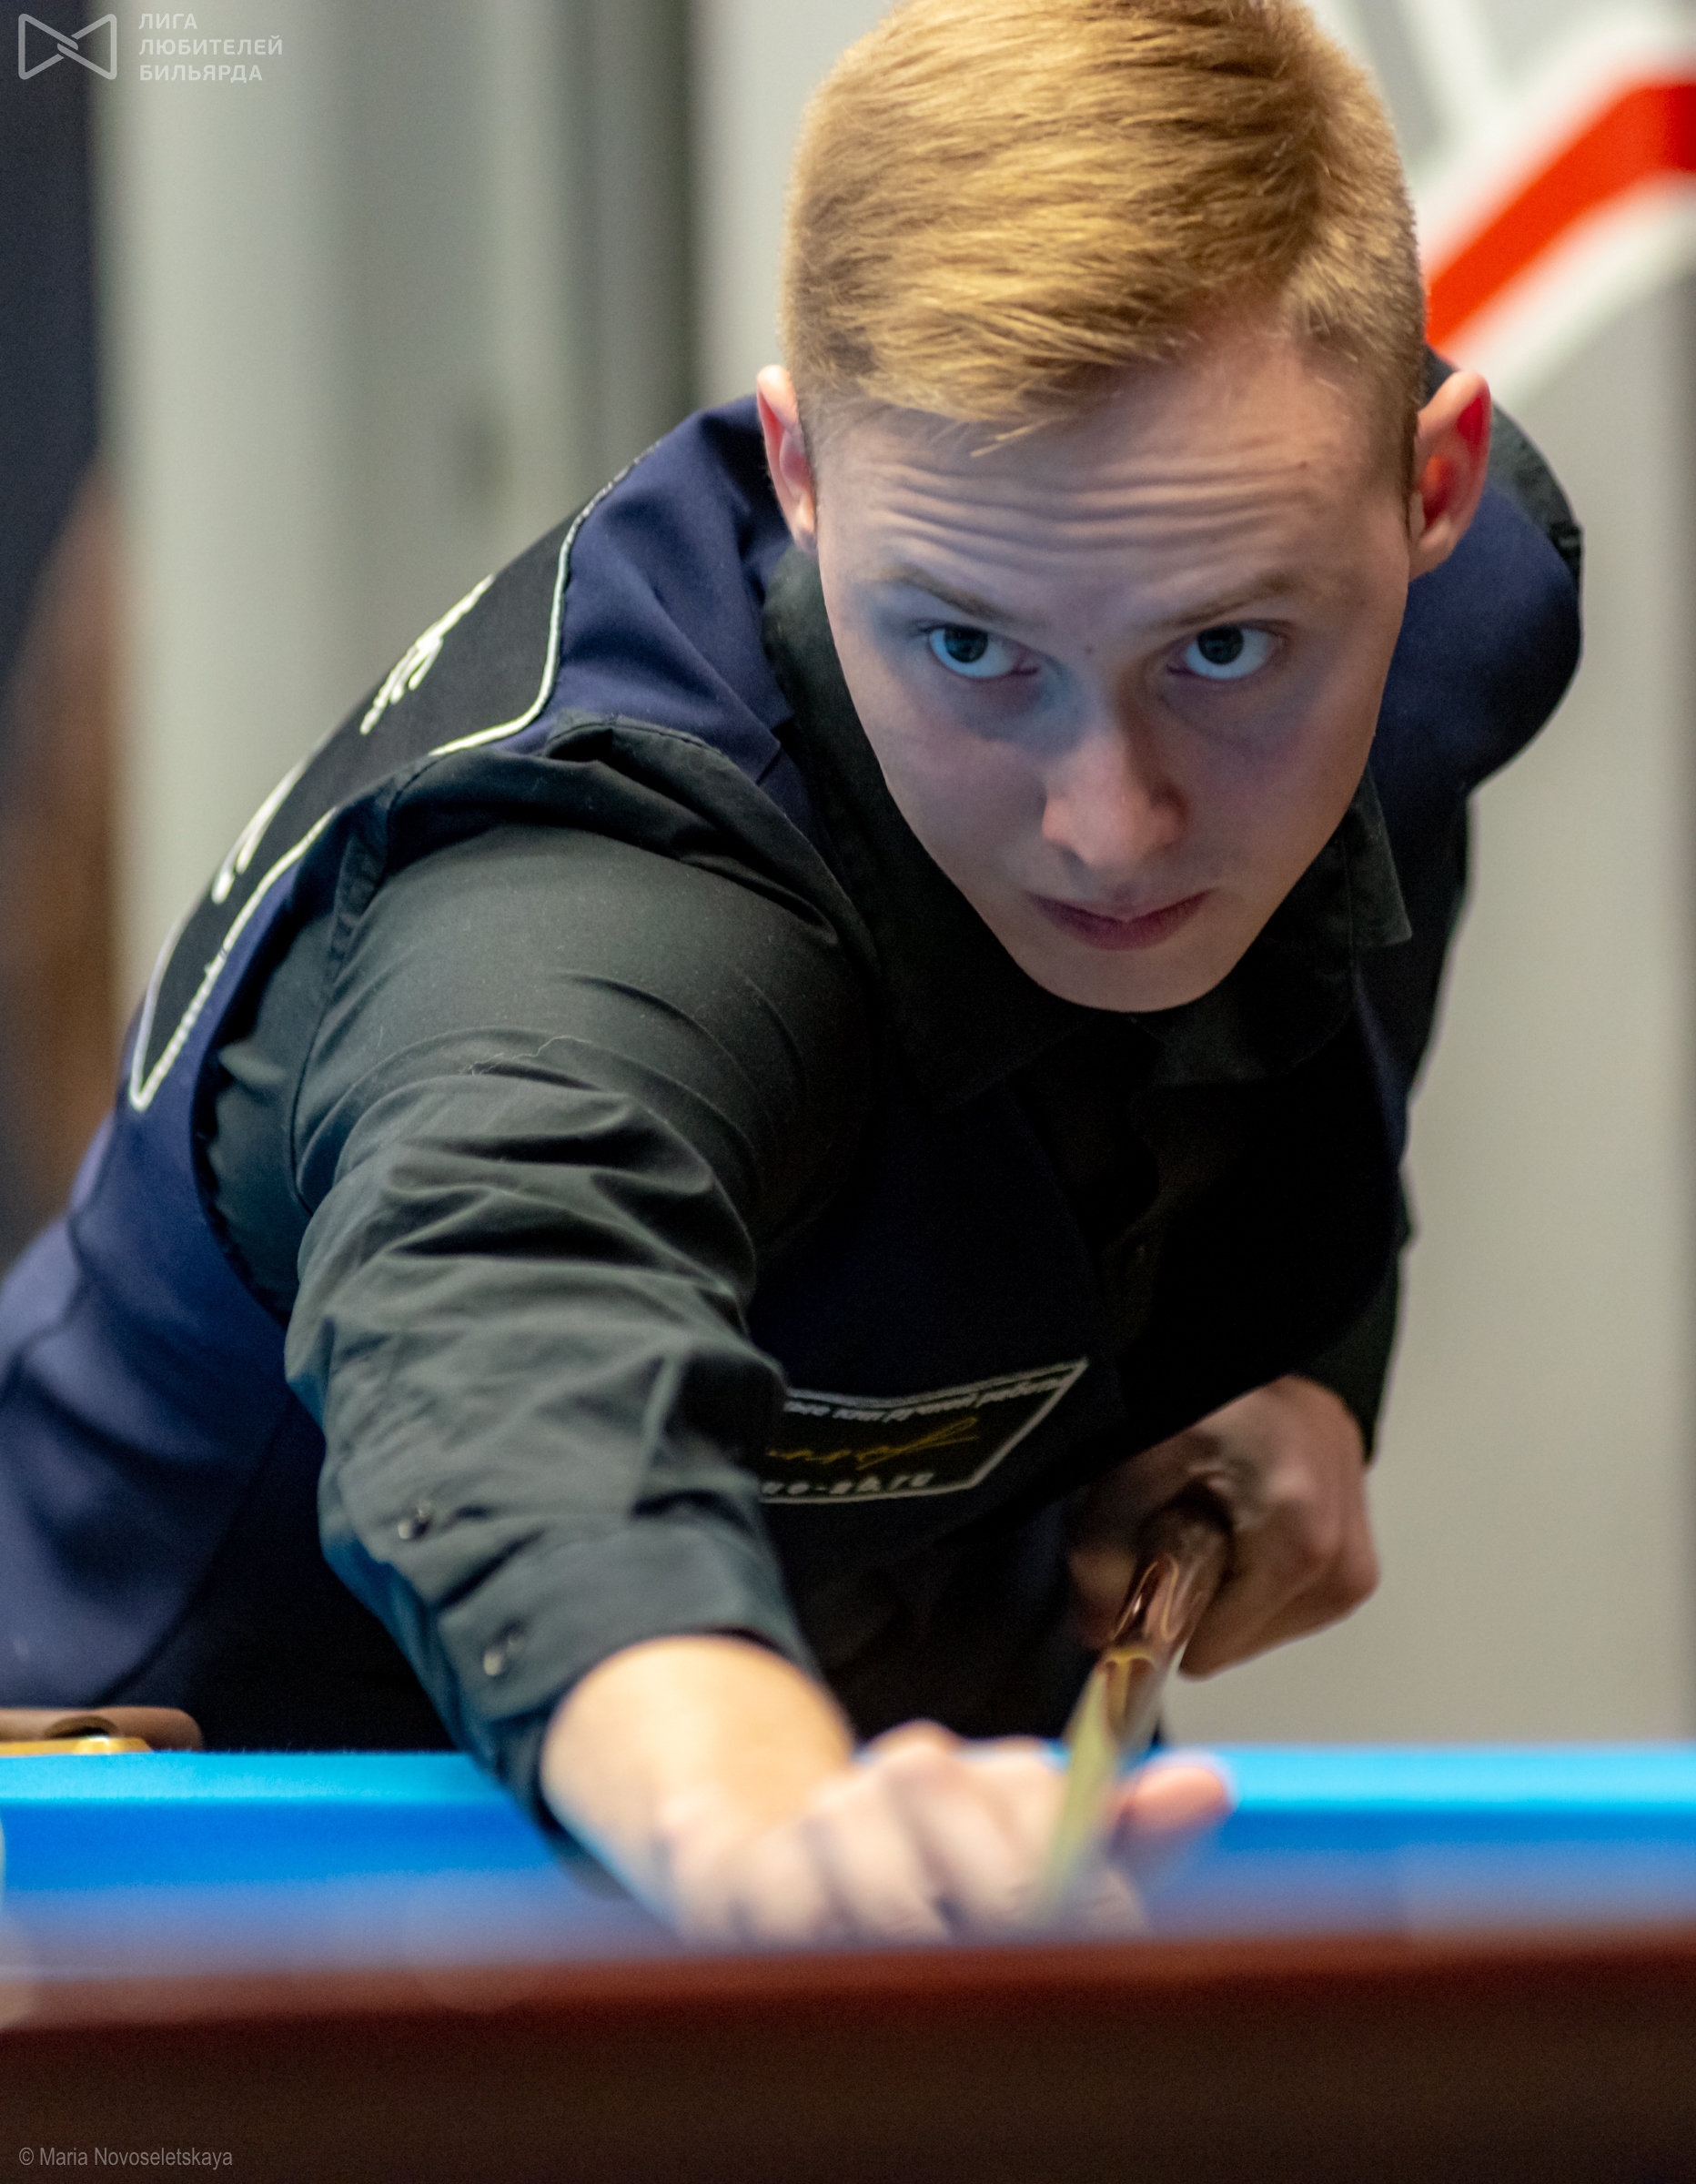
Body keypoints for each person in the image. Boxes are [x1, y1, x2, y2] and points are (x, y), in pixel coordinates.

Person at [0, 0, 1581, 1943]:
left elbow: (1353, 878)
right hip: (203, 1872)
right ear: (803, 471)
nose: (1109, 822)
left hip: (897, 1778)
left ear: (1422, 495)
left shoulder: (1445, 626)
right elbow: (505, 1344)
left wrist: (1300, 1356)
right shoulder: (592, 912)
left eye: (1224, 651)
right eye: (969, 646)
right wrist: (744, 1800)